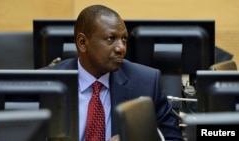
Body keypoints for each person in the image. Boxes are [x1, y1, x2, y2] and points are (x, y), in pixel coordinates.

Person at [42, 4, 183, 141]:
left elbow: (173, 138)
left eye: (124, 39)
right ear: (82, 42)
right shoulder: (46, 83)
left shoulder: (146, 82)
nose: (121, 48)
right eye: (111, 39)